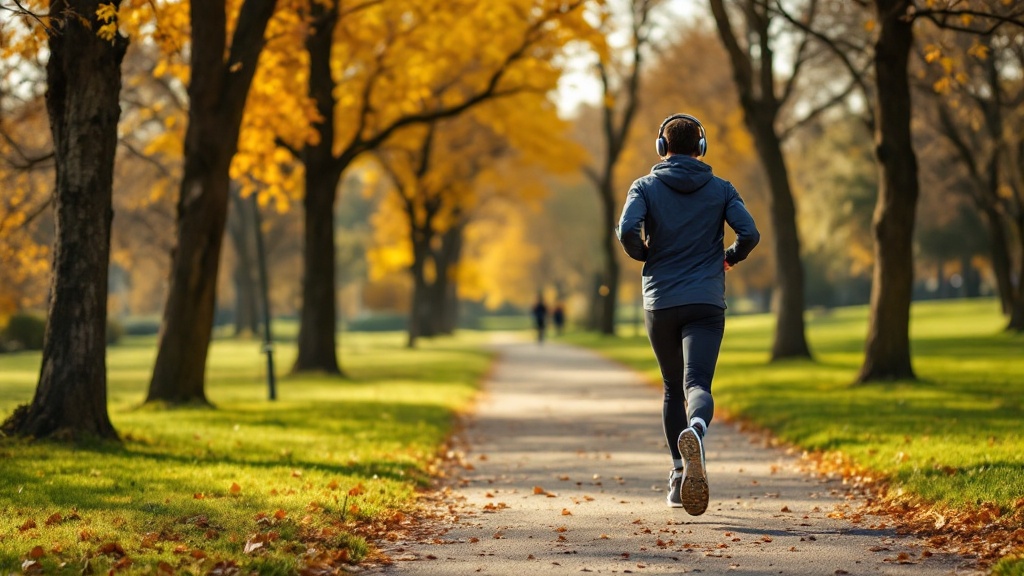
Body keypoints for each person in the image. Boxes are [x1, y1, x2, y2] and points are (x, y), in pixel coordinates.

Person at [616, 113, 759, 515]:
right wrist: (728, 258)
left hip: (660, 301)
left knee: (669, 386)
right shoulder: (722, 189)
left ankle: (679, 476)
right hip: (706, 301)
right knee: (697, 383)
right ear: (702, 147)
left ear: (663, 147)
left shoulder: (644, 186)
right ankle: (696, 430)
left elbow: (627, 230)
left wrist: (645, 255)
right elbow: (750, 234)